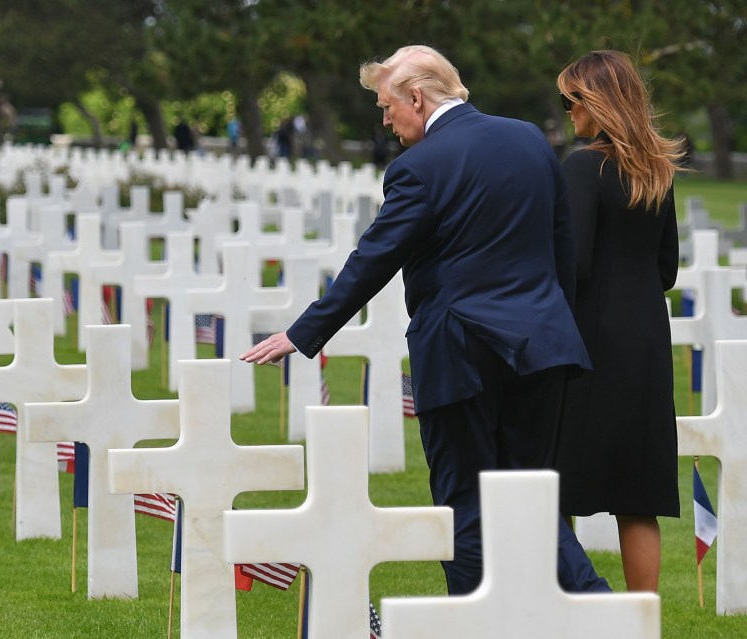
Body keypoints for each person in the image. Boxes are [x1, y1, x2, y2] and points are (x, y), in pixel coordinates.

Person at [241, 44, 610, 595]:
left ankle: (471, 622)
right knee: (532, 500)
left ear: (417, 96)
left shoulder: (417, 168)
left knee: (463, 507)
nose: (385, 119)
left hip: (462, 354)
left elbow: (374, 258)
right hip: (540, 347)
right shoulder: (530, 139)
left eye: (388, 105)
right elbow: (561, 249)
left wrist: (302, 332)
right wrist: (553, 324)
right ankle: (597, 615)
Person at [555, 50, 683, 592]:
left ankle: (557, 611)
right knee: (637, 498)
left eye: (572, 100)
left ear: (596, 102)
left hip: (588, 344)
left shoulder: (582, 167)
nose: (567, 112)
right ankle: (642, 623)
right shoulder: (659, 169)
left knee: (558, 490)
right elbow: (667, 267)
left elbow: (573, 263)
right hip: (648, 343)